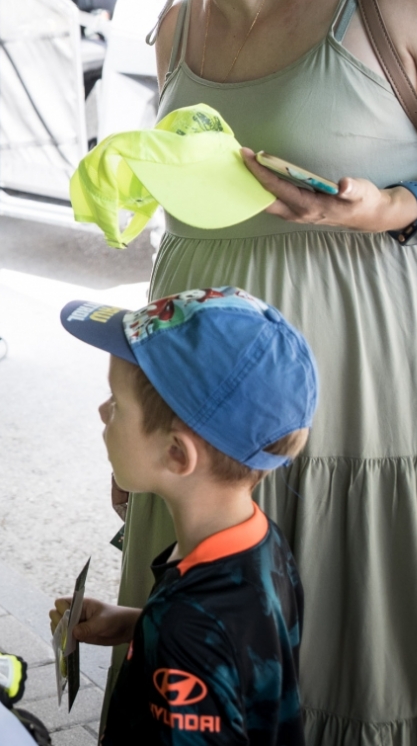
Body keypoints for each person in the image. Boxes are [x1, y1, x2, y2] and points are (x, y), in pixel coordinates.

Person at [81, 0, 417, 743]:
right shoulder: (173, 28)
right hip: (207, 411)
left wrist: (394, 204)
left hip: (374, 385)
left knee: (360, 646)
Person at [52, 287, 315, 746]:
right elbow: (242, 652)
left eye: (116, 404)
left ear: (177, 453)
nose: (101, 411)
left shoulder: (185, 633)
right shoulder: (259, 542)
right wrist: (139, 624)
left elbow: (201, 643)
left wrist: (165, 633)